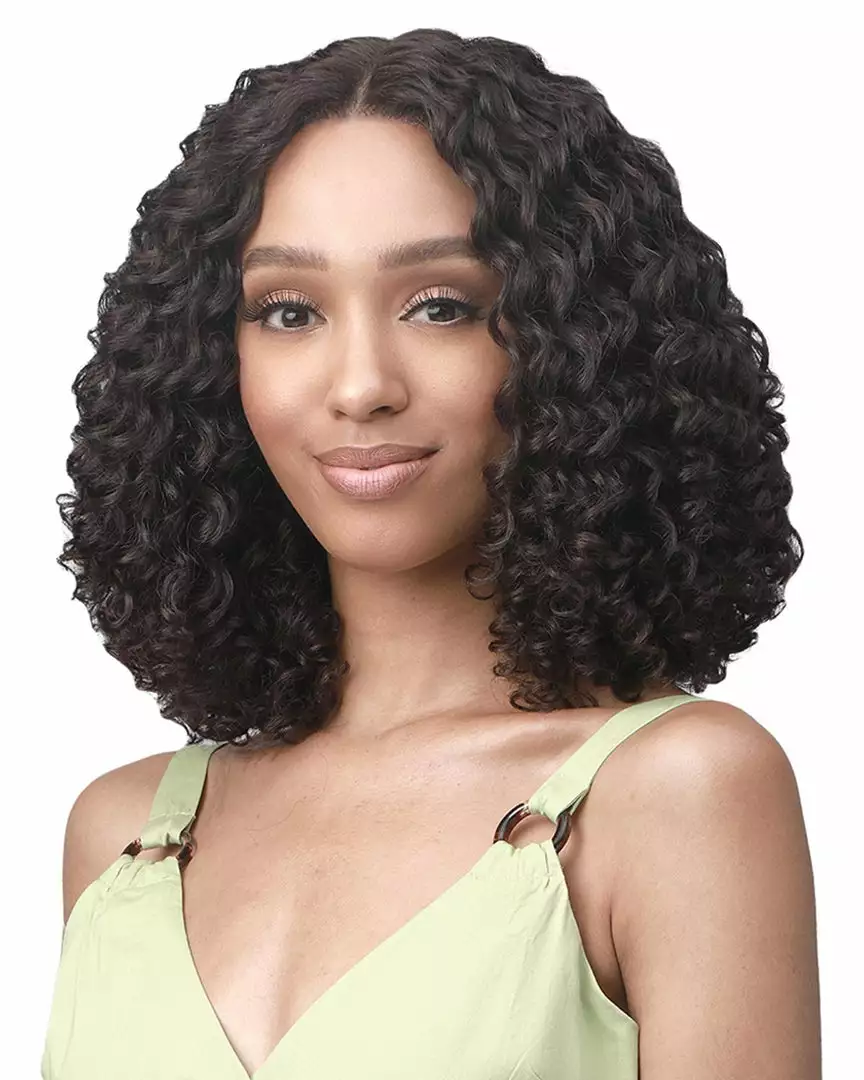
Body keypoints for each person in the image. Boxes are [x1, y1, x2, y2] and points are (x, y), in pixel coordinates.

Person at [42, 27, 819, 1080]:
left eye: (442, 306)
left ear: (574, 345)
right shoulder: (126, 835)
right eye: (288, 312)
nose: (361, 384)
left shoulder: (676, 793)